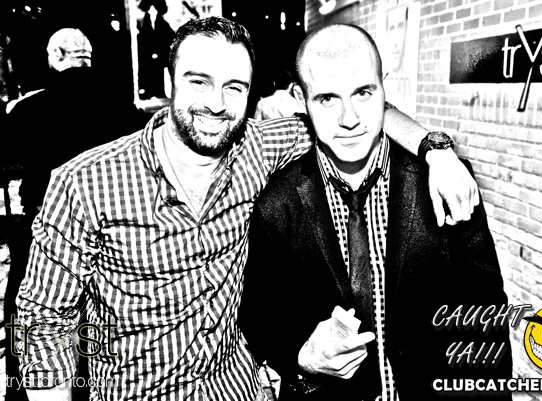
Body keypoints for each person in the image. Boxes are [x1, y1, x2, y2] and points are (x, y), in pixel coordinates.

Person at [16, 17, 479, 401]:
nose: (217, 104)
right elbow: (43, 324)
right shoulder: (84, 182)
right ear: (168, 83)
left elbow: (357, 112)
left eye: (234, 87)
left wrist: (436, 149)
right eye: (199, 82)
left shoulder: (259, 148)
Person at [239, 24, 512, 400]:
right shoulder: (276, 204)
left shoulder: (445, 183)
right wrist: (303, 357)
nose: (349, 118)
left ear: (385, 89)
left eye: (363, 93)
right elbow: (262, 321)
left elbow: (485, 316)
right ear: (301, 99)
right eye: (327, 99)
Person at [4, 27, 144, 401]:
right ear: (88, 58)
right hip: (110, 232)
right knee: (103, 316)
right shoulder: (122, 107)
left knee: (28, 312)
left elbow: (5, 159)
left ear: (55, 57)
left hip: (45, 230)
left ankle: (25, 389)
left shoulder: (29, 109)